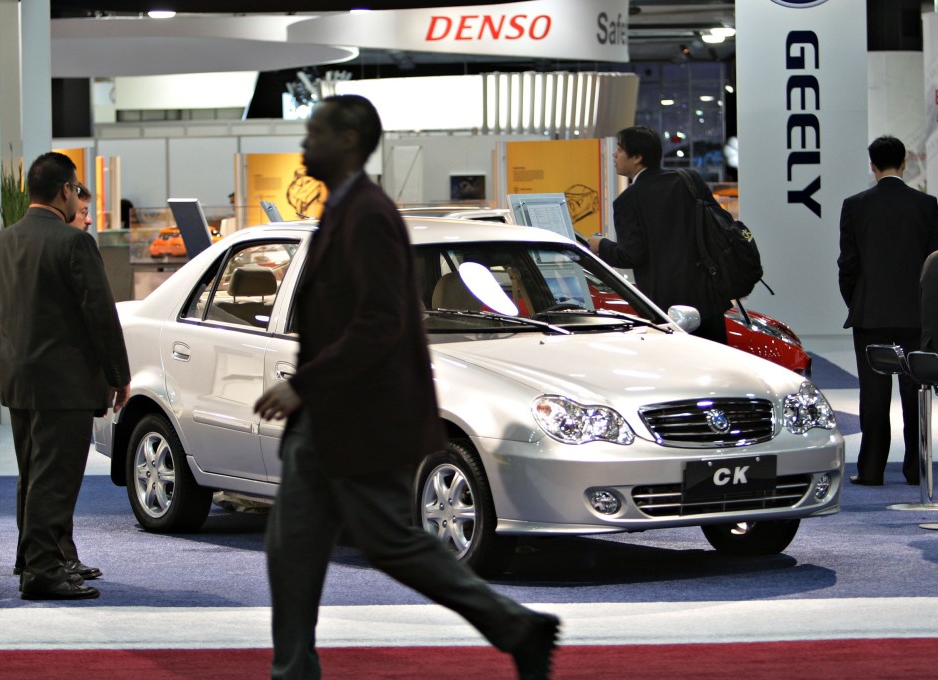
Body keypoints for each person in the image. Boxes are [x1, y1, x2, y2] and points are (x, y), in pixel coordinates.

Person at [253, 95, 559, 680]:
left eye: (315, 132)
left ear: (348, 141)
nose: (304, 143)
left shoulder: (367, 215)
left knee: (389, 543)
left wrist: (304, 384)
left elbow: (380, 322)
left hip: (359, 418)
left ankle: (517, 626)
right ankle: (292, 671)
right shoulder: (344, 210)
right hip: (330, 418)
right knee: (293, 549)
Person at [0, 152, 131, 600]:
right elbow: (100, 315)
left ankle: (40, 557)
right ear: (65, 190)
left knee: (33, 472)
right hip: (64, 382)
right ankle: (44, 571)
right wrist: (118, 374)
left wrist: (17, 353)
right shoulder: (74, 243)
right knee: (55, 477)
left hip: (18, 377)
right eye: (75, 189)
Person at [838, 135, 938, 486]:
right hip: (915, 315)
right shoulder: (927, 205)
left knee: (874, 395)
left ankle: (871, 469)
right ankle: (916, 469)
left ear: (872, 165)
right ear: (905, 163)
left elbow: (848, 266)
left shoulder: (855, 205)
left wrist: (857, 302)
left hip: (871, 314)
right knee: (916, 392)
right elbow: (933, 266)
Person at [587, 125, 731, 343]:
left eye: (620, 149)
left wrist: (601, 245)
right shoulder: (688, 180)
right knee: (714, 359)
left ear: (637, 157)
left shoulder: (628, 200)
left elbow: (630, 255)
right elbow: (719, 224)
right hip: (708, 297)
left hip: (668, 307)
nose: (615, 155)